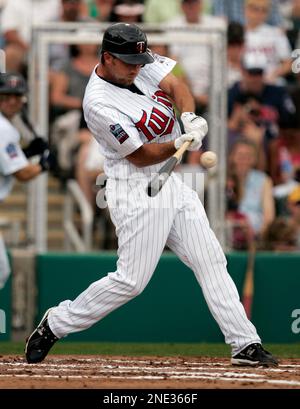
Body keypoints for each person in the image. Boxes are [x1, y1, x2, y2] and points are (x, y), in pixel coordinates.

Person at [25, 23, 278, 367]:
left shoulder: (138, 64)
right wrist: (179, 143)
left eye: (139, 60)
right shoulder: (98, 103)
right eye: (128, 62)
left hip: (169, 181)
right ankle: (56, 322)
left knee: (210, 259)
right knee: (131, 281)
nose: (136, 68)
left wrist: (188, 117)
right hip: (134, 185)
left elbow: (176, 85)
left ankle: (244, 343)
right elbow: (140, 155)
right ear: (107, 58)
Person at [0, 73, 54, 290]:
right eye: (5, 96)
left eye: (17, 96)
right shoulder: (4, 128)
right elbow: (22, 173)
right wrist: (45, 163)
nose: (12, 101)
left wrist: (27, 152)